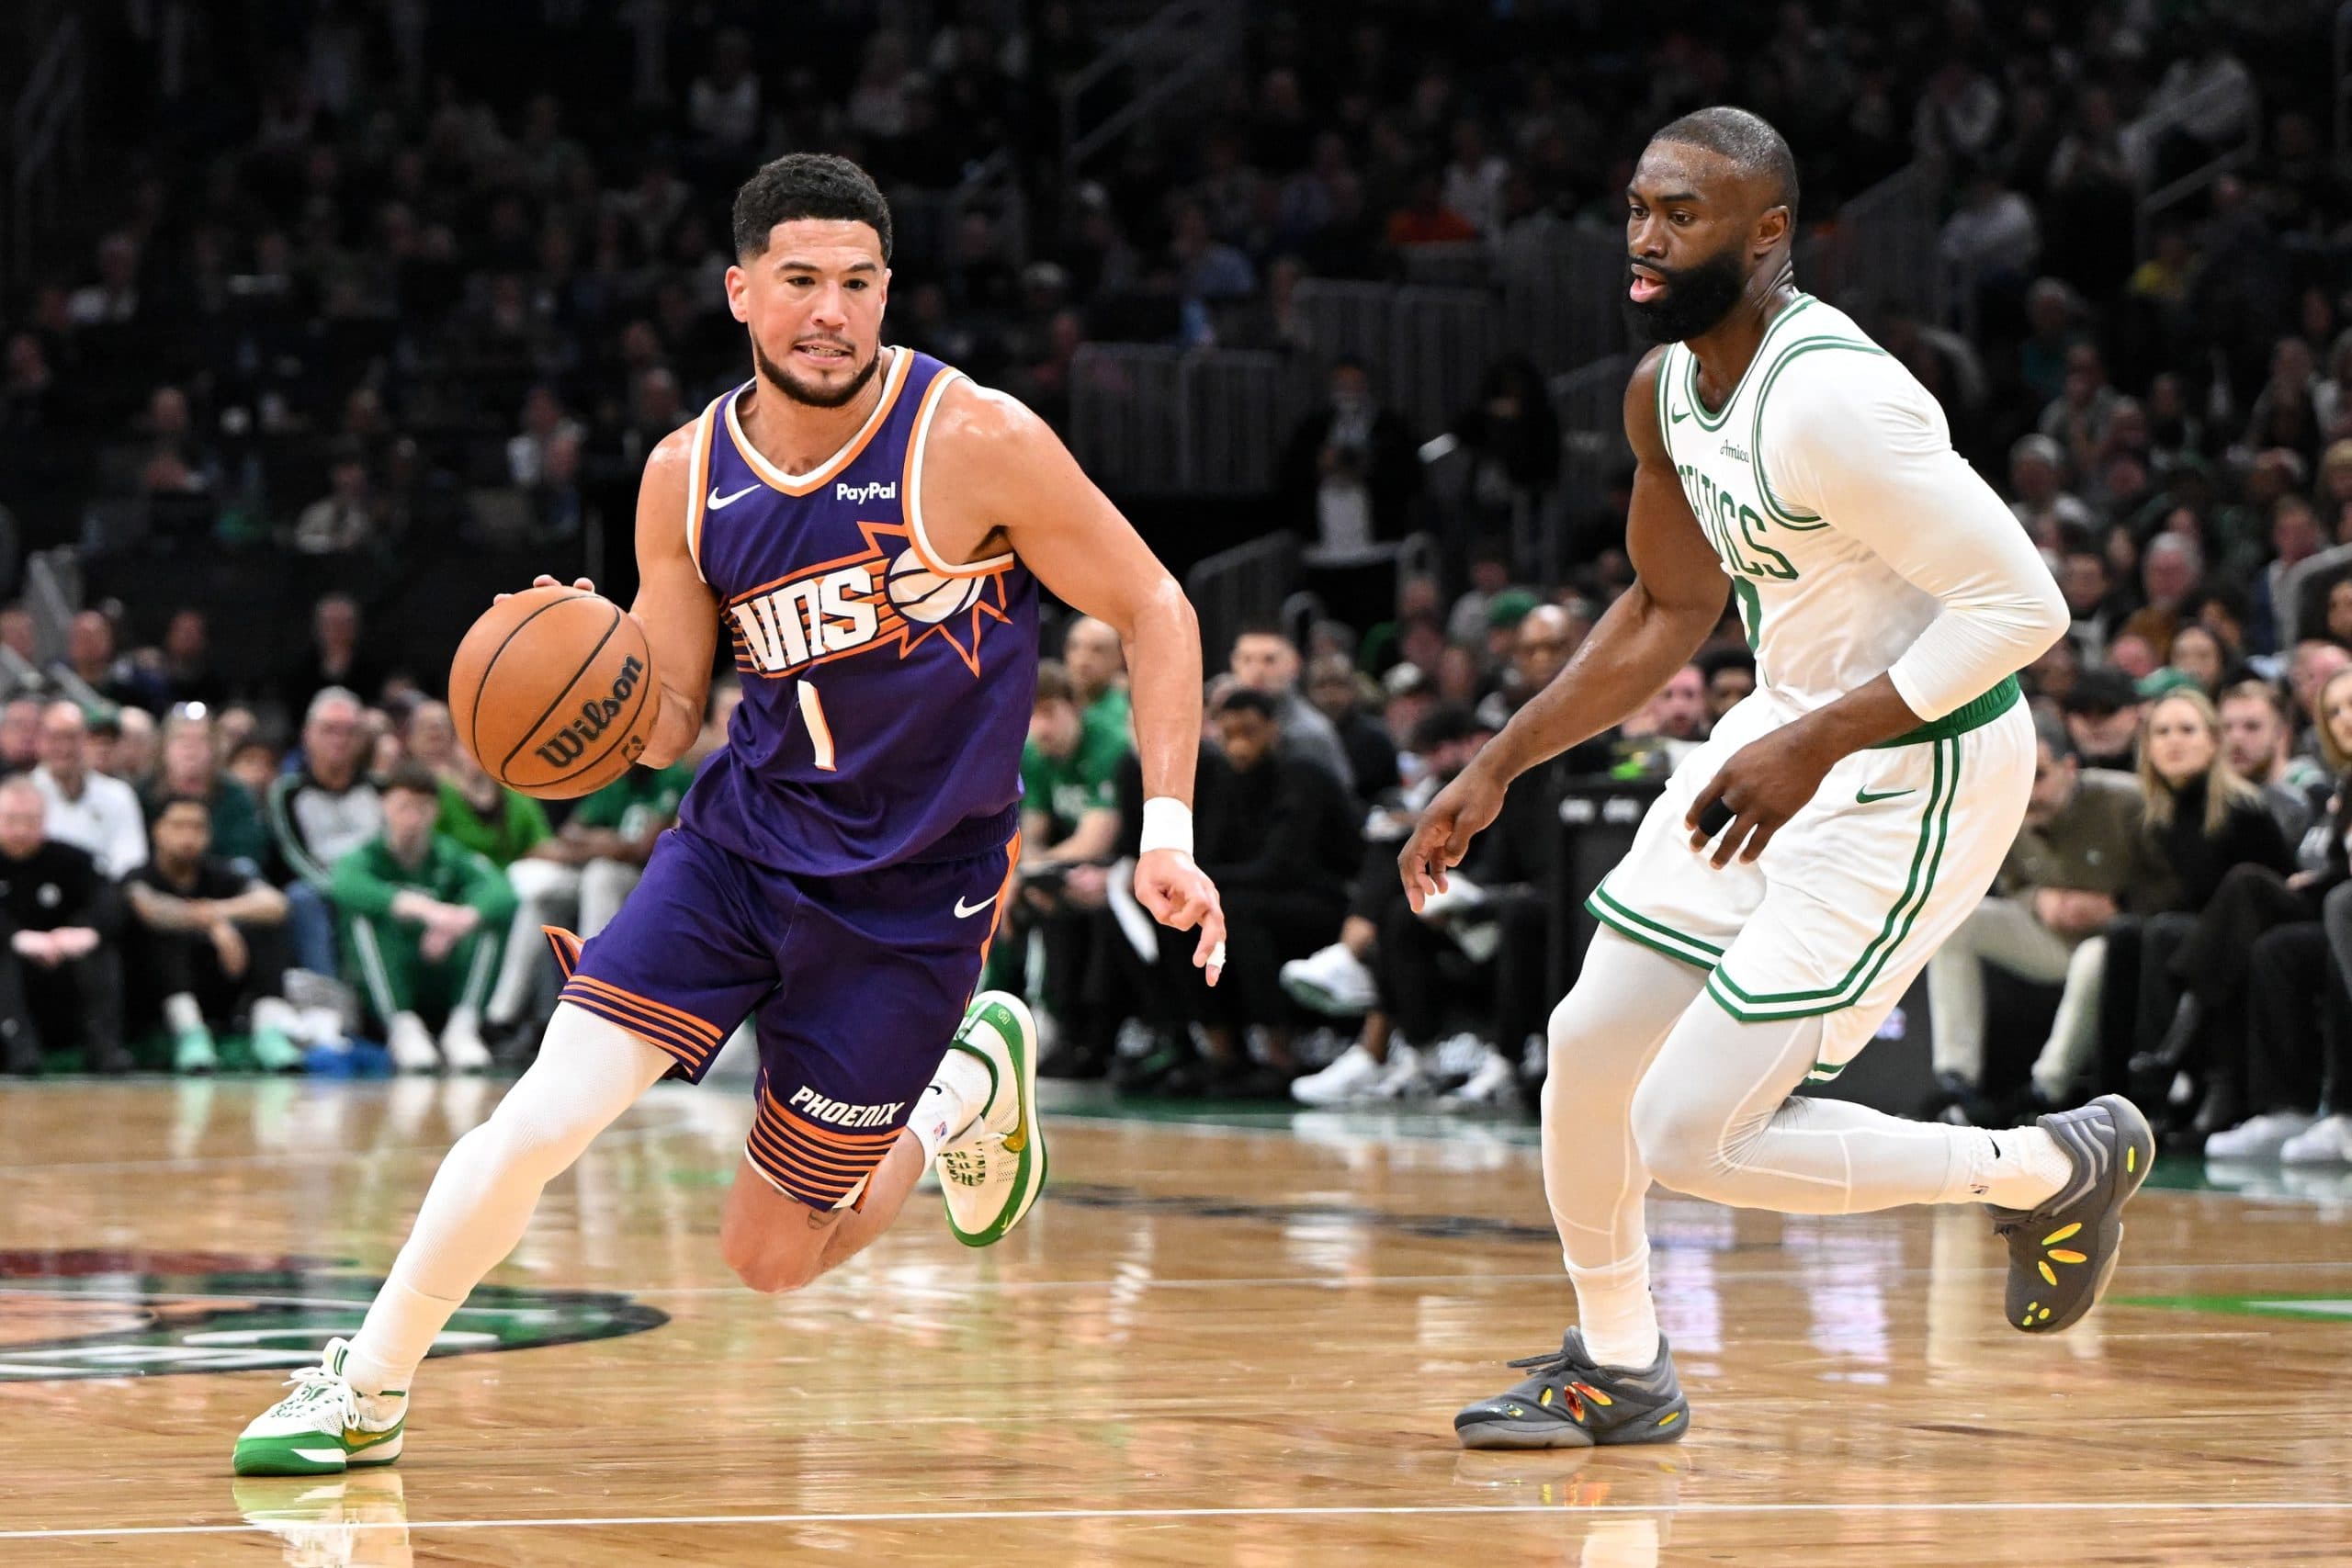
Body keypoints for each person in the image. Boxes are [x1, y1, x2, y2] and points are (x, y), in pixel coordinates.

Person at [235, 154, 1225, 1476]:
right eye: (802, 281)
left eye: (859, 283)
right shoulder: (683, 474)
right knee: (539, 1113)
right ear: (741, 291)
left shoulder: (974, 437)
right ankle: (365, 1384)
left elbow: (1157, 603)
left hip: (910, 894)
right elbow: (663, 719)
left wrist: (1167, 830)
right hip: (739, 849)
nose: (832, 311)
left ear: (887, 292)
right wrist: (586, 660)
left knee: (770, 1258)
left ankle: (961, 1087)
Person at [1400, 108, 2145, 1452]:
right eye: (1637, 205)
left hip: (1923, 760)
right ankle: (1620, 1362)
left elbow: (2024, 608)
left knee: (1692, 1129)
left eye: (1681, 212)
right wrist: (1499, 761)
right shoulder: (1664, 389)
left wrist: (1816, 739)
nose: (1644, 234)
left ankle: (2047, 1163)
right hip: (1783, 734)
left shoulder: (1834, 399)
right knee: (1588, 1047)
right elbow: (1663, 609)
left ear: (1768, 234)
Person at [1924, 716, 2165, 1122]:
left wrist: (2119, 905)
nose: (2028, 792)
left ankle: (2046, 1088)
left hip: (2123, 946)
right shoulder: (2007, 806)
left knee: (2094, 954)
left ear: (2070, 768)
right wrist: (2039, 900)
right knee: (1955, 921)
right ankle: (1957, 1078)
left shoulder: (2128, 801)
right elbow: (2009, 884)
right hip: (2050, 940)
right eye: (2017, 778)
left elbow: (2176, 878)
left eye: (2038, 776)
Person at [330, 763, 513, 1075]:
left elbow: (502, 891)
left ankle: (463, 1027)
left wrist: (460, 920)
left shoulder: (448, 855)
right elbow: (344, 885)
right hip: (392, 975)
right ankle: (401, 1027)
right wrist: (423, 909)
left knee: (490, 921)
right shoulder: (368, 857)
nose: (412, 818)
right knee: (363, 920)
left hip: (442, 970)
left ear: (436, 812)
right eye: (403, 807)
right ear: (384, 807)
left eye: (422, 808)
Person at [124, 795, 303, 1074]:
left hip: (219, 982)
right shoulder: (140, 875)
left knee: (264, 927)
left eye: (197, 827)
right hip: (159, 999)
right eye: (179, 826)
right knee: (166, 934)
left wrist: (220, 914)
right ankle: (190, 1035)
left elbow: (276, 904)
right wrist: (213, 926)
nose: (189, 836)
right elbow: (151, 910)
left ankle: (269, 1030)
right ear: (158, 831)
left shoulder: (220, 873)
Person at [0, 775, 127, 1075]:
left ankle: (105, 1048)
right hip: (11, 969)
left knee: (100, 953)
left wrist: (86, 931)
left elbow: (110, 900)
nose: (21, 829)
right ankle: (19, 1049)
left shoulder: (72, 860)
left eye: (30, 820)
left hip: (62, 965)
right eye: (11, 819)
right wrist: (15, 938)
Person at [266, 688, 384, 977]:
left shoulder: (381, 789)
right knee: (301, 896)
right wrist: (345, 891)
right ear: (308, 735)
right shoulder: (287, 792)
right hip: (320, 888)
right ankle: (330, 1001)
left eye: (349, 731)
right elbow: (294, 856)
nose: (339, 740)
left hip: (374, 888)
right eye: (329, 730)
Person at [30, 701, 148, 877]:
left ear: (86, 741)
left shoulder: (119, 795)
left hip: (104, 894)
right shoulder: (21, 798)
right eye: (55, 737)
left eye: (71, 737)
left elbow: (130, 862)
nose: (64, 748)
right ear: (39, 742)